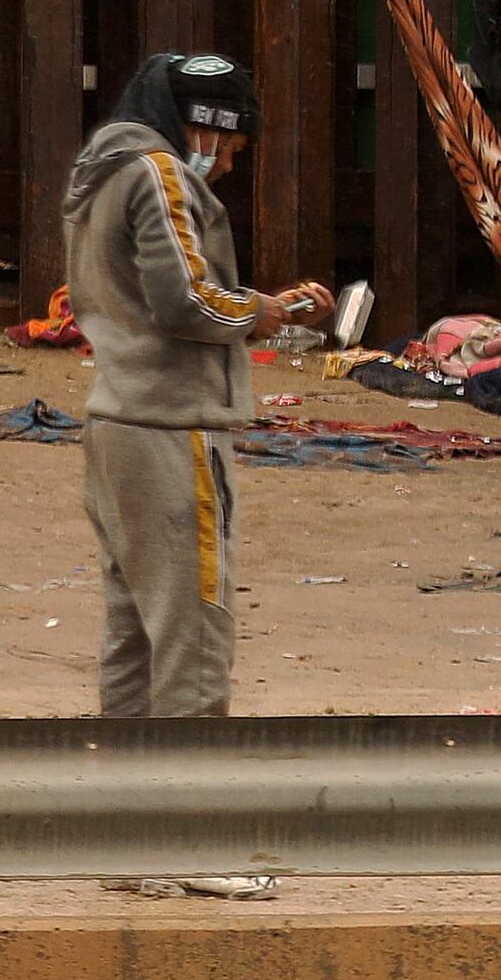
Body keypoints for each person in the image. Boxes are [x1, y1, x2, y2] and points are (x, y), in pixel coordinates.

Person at [62, 53, 326, 717]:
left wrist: (263, 309)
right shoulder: (160, 174)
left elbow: (157, 296)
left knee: (133, 636)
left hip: (115, 422)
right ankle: (191, 807)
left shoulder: (103, 170)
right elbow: (183, 303)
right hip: (170, 432)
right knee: (193, 642)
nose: (228, 164)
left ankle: (123, 802)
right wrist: (259, 311)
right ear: (202, 125)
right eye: (229, 146)